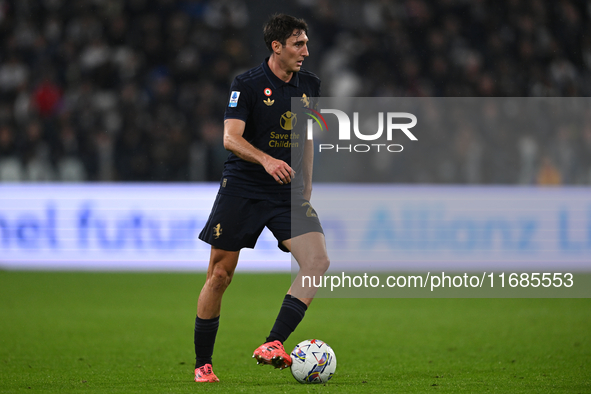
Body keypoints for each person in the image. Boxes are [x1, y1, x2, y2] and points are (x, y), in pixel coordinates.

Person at [193, 13, 330, 383]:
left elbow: (307, 139)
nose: (305, 50)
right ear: (277, 47)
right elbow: (230, 138)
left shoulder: (310, 85)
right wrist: (267, 159)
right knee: (220, 275)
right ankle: (203, 365)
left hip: (285, 191)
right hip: (242, 188)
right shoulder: (248, 84)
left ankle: (273, 343)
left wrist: (307, 189)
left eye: (305, 42)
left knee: (317, 262)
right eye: (298, 43)